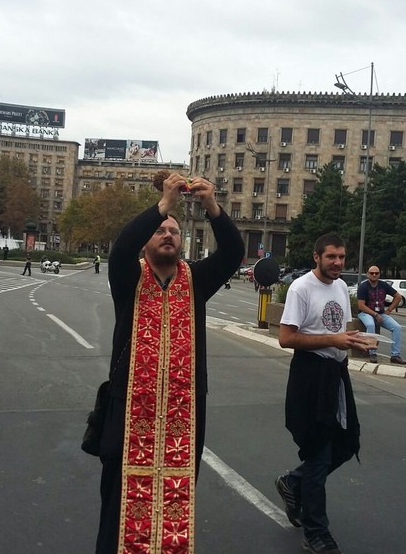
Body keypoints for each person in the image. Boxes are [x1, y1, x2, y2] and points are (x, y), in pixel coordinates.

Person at [94, 172, 243, 553]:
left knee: (175, 499)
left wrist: (212, 206)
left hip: (183, 413)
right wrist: (164, 205)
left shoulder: (196, 280)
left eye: (174, 231)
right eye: (160, 230)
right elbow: (121, 248)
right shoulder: (128, 277)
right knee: (120, 499)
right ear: (147, 240)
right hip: (128, 410)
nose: (167, 235)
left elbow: (232, 253)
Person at [275, 233, 377, 554]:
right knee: (319, 454)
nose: (338, 263)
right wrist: (334, 341)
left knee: (347, 444)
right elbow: (286, 338)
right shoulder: (301, 288)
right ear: (316, 257)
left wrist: (353, 341)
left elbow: (338, 331)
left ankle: (294, 482)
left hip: (337, 375)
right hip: (310, 376)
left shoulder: (340, 287)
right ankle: (315, 531)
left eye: (342, 257)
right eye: (331, 257)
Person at [356, 265, 406, 364]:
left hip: (381, 313)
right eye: (371, 273)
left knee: (397, 327)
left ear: (379, 274)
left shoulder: (383, 285)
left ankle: (395, 355)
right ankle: (372, 353)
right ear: (367, 274)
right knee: (370, 325)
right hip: (365, 313)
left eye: (376, 273)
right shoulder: (363, 286)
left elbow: (398, 297)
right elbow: (361, 305)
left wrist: (389, 310)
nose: (374, 275)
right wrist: (375, 314)